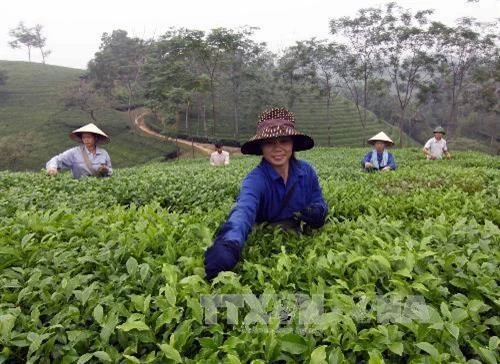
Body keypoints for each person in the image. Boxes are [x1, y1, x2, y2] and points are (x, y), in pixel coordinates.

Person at [204, 107, 328, 280]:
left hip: (298, 241)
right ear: (261, 146)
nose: (277, 148)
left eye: (284, 141)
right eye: (270, 142)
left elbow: (318, 199)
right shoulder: (255, 180)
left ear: (292, 143)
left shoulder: (307, 172)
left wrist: (319, 211)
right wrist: (229, 244)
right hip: (267, 239)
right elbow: (243, 212)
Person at [46, 123, 112, 179]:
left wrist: (106, 170)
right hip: (80, 188)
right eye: (84, 137)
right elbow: (57, 159)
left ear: (95, 138)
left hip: (99, 188)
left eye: (89, 137)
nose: (86, 140)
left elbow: (110, 171)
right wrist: (52, 168)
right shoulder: (74, 152)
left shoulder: (103, 153)